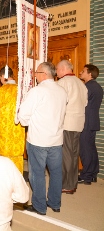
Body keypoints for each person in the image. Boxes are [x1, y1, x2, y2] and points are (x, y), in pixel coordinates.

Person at [18, 62, 67, 215]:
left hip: (38, 139)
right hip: (56, 139)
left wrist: (28, 123)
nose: (35, 76)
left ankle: (39, 206)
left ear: (44, 74)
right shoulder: (62, 90)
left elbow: (23, 115)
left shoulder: (37, 91)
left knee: (37, 173)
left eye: (37, 73)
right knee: (56, 172)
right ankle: (55, 203)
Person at [55, 60, 88, 194]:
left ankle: (66, 184)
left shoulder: (63, 82)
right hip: (78, 122)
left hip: (67, 122)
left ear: (63, 69)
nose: (56, 72)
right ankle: (72, 183)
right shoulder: (81, 83)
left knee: (66, 155)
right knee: (74, 154)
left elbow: (58, 103)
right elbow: (85, 103)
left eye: (57, 69)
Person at [0, 66, 26, 174]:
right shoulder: (22, 90)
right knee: (17, 158)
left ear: (2, 76)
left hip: (4, 133)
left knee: (3, 159)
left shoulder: (0, 92)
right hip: (18, 131)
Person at [78, 64, 103, 185]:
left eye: (83, 71)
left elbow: (81, 103)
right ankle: (93, 174)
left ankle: (86, 176)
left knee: (85, 149)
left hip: (86, 121)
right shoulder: (97, 86)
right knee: (91, 148)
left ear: (89, 73)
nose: (80, 73)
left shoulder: (87, 87)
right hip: (93, 121)